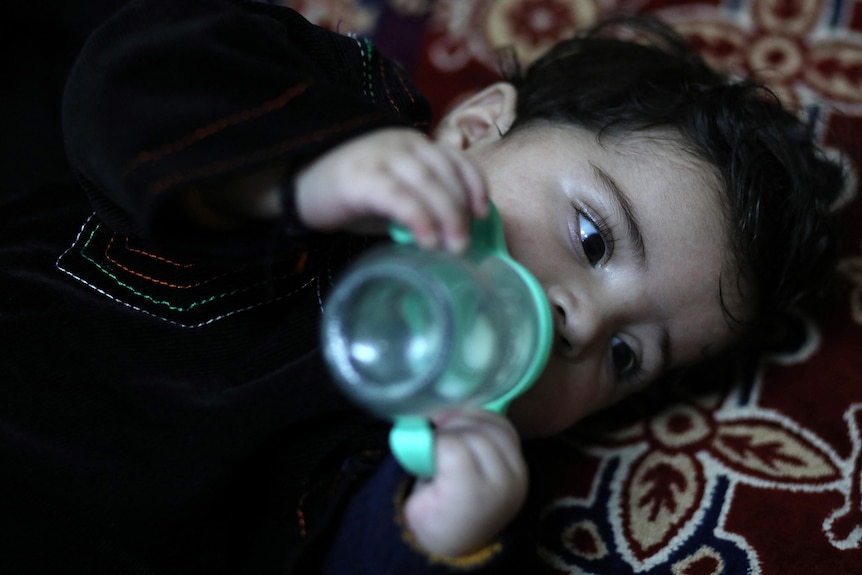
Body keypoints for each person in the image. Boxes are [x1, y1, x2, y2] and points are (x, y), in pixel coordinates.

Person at [0, 0, 844, 573]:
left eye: (627, 354)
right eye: (591, 236)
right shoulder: (343, 108)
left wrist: (437, 532)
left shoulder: (416, 451)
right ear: (476, 131)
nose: (580, 319)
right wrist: (304, 172)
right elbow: (128, 74)